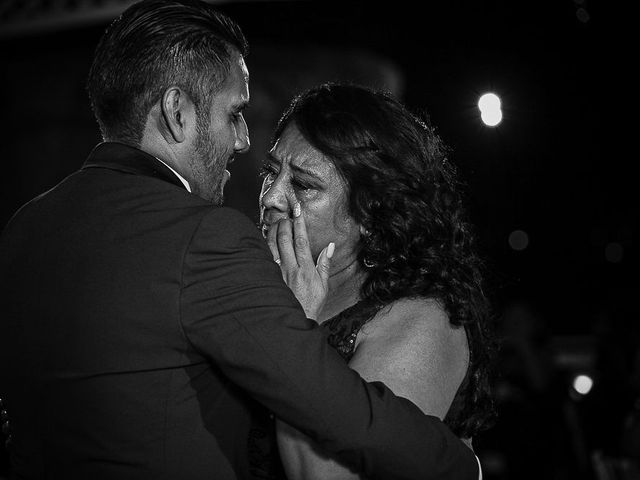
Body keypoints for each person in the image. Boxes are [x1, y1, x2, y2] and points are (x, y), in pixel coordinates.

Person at [0, 1, 479, 479]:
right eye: (234, 113)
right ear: (177, 112)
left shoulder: (24, 226)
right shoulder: (203, 236)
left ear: (373, 212)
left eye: (305, 184)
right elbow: (328, 406)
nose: (244, 140)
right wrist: (461, 466)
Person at [260, 83, 495, 479]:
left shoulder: (423, 322)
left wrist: (291, 327)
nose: (271, 197)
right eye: (270, 172)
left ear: (370, 211)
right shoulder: (264, 279)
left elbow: (326, 476)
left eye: (302, 184)